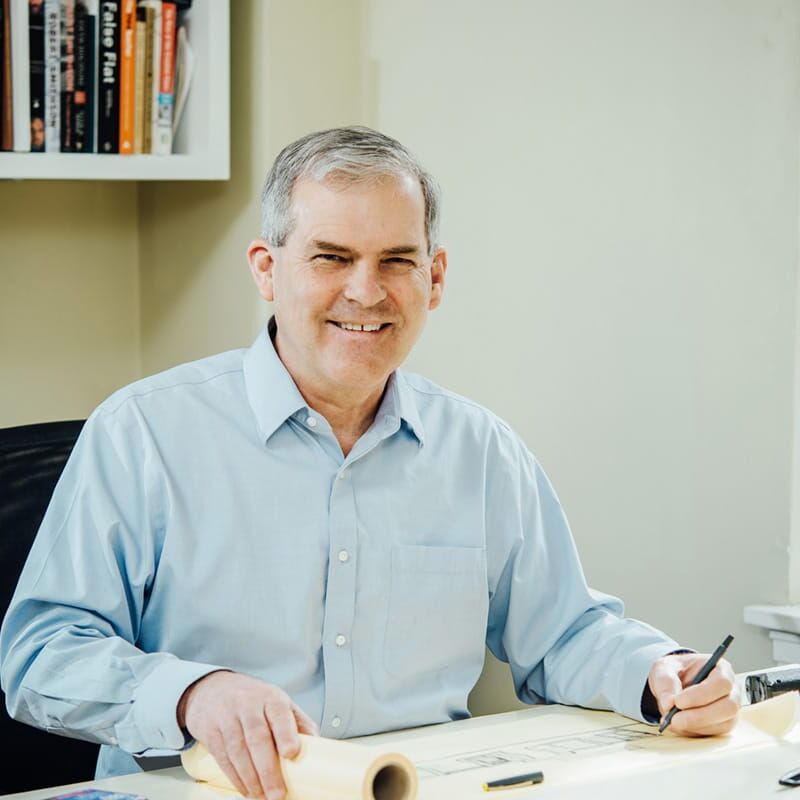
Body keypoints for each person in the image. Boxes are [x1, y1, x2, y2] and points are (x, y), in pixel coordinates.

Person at [0, 126, 739, 800]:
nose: (366, 290)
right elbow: (40, 656)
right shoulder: (143, 432)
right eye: (331, 257)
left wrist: (656, 673)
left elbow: (565, 633)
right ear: (266, 268)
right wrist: (193, 694)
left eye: (397, 260)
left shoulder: (480, 450)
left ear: (435, 278)